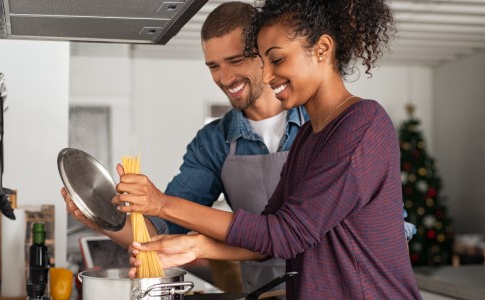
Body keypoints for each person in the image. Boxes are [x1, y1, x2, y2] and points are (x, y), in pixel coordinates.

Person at [118, 0, 422, 298]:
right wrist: (195, 246)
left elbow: (286, 235)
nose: (266, 76)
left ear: (322, 50)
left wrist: (161, 203)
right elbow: (267, 237)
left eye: (276, 60)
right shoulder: (307, 137)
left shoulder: (362, 124)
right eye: (264, 63)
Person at [62, 1, 307, 293]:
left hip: (327, 288)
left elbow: (293, 232)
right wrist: (100, 218)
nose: (225, 78)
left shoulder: (316, 125)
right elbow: (160, 232)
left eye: (236, 60)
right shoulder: (213, 142)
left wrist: (164, 206)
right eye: (213, 66)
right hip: (263, 291)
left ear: (263, 55)